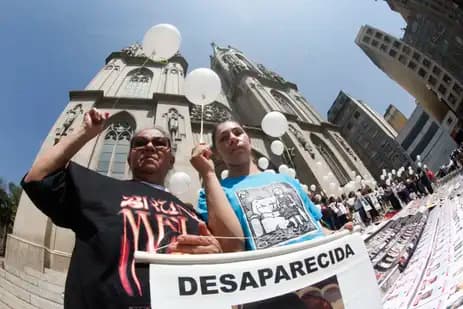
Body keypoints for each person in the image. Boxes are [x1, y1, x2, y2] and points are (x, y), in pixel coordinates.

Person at [21, 108, 223, 309]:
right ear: (129, 158)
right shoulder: (98, 187)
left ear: (171, 160)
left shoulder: (188, 211)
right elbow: (38, 178)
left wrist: (215, 254)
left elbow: (227, 247)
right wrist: (85, 131)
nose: (149, 147)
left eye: (159, 143)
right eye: (140, 143)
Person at [190, 120, 351, 251]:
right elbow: (233, 247)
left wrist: (339, 233)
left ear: (249, 140)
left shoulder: (287, 181)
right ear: (216, 152)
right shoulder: (212, 194)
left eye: (238, 132)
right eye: (224, 138)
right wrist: (208, 174)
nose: (232, 138)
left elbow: (316, 229)